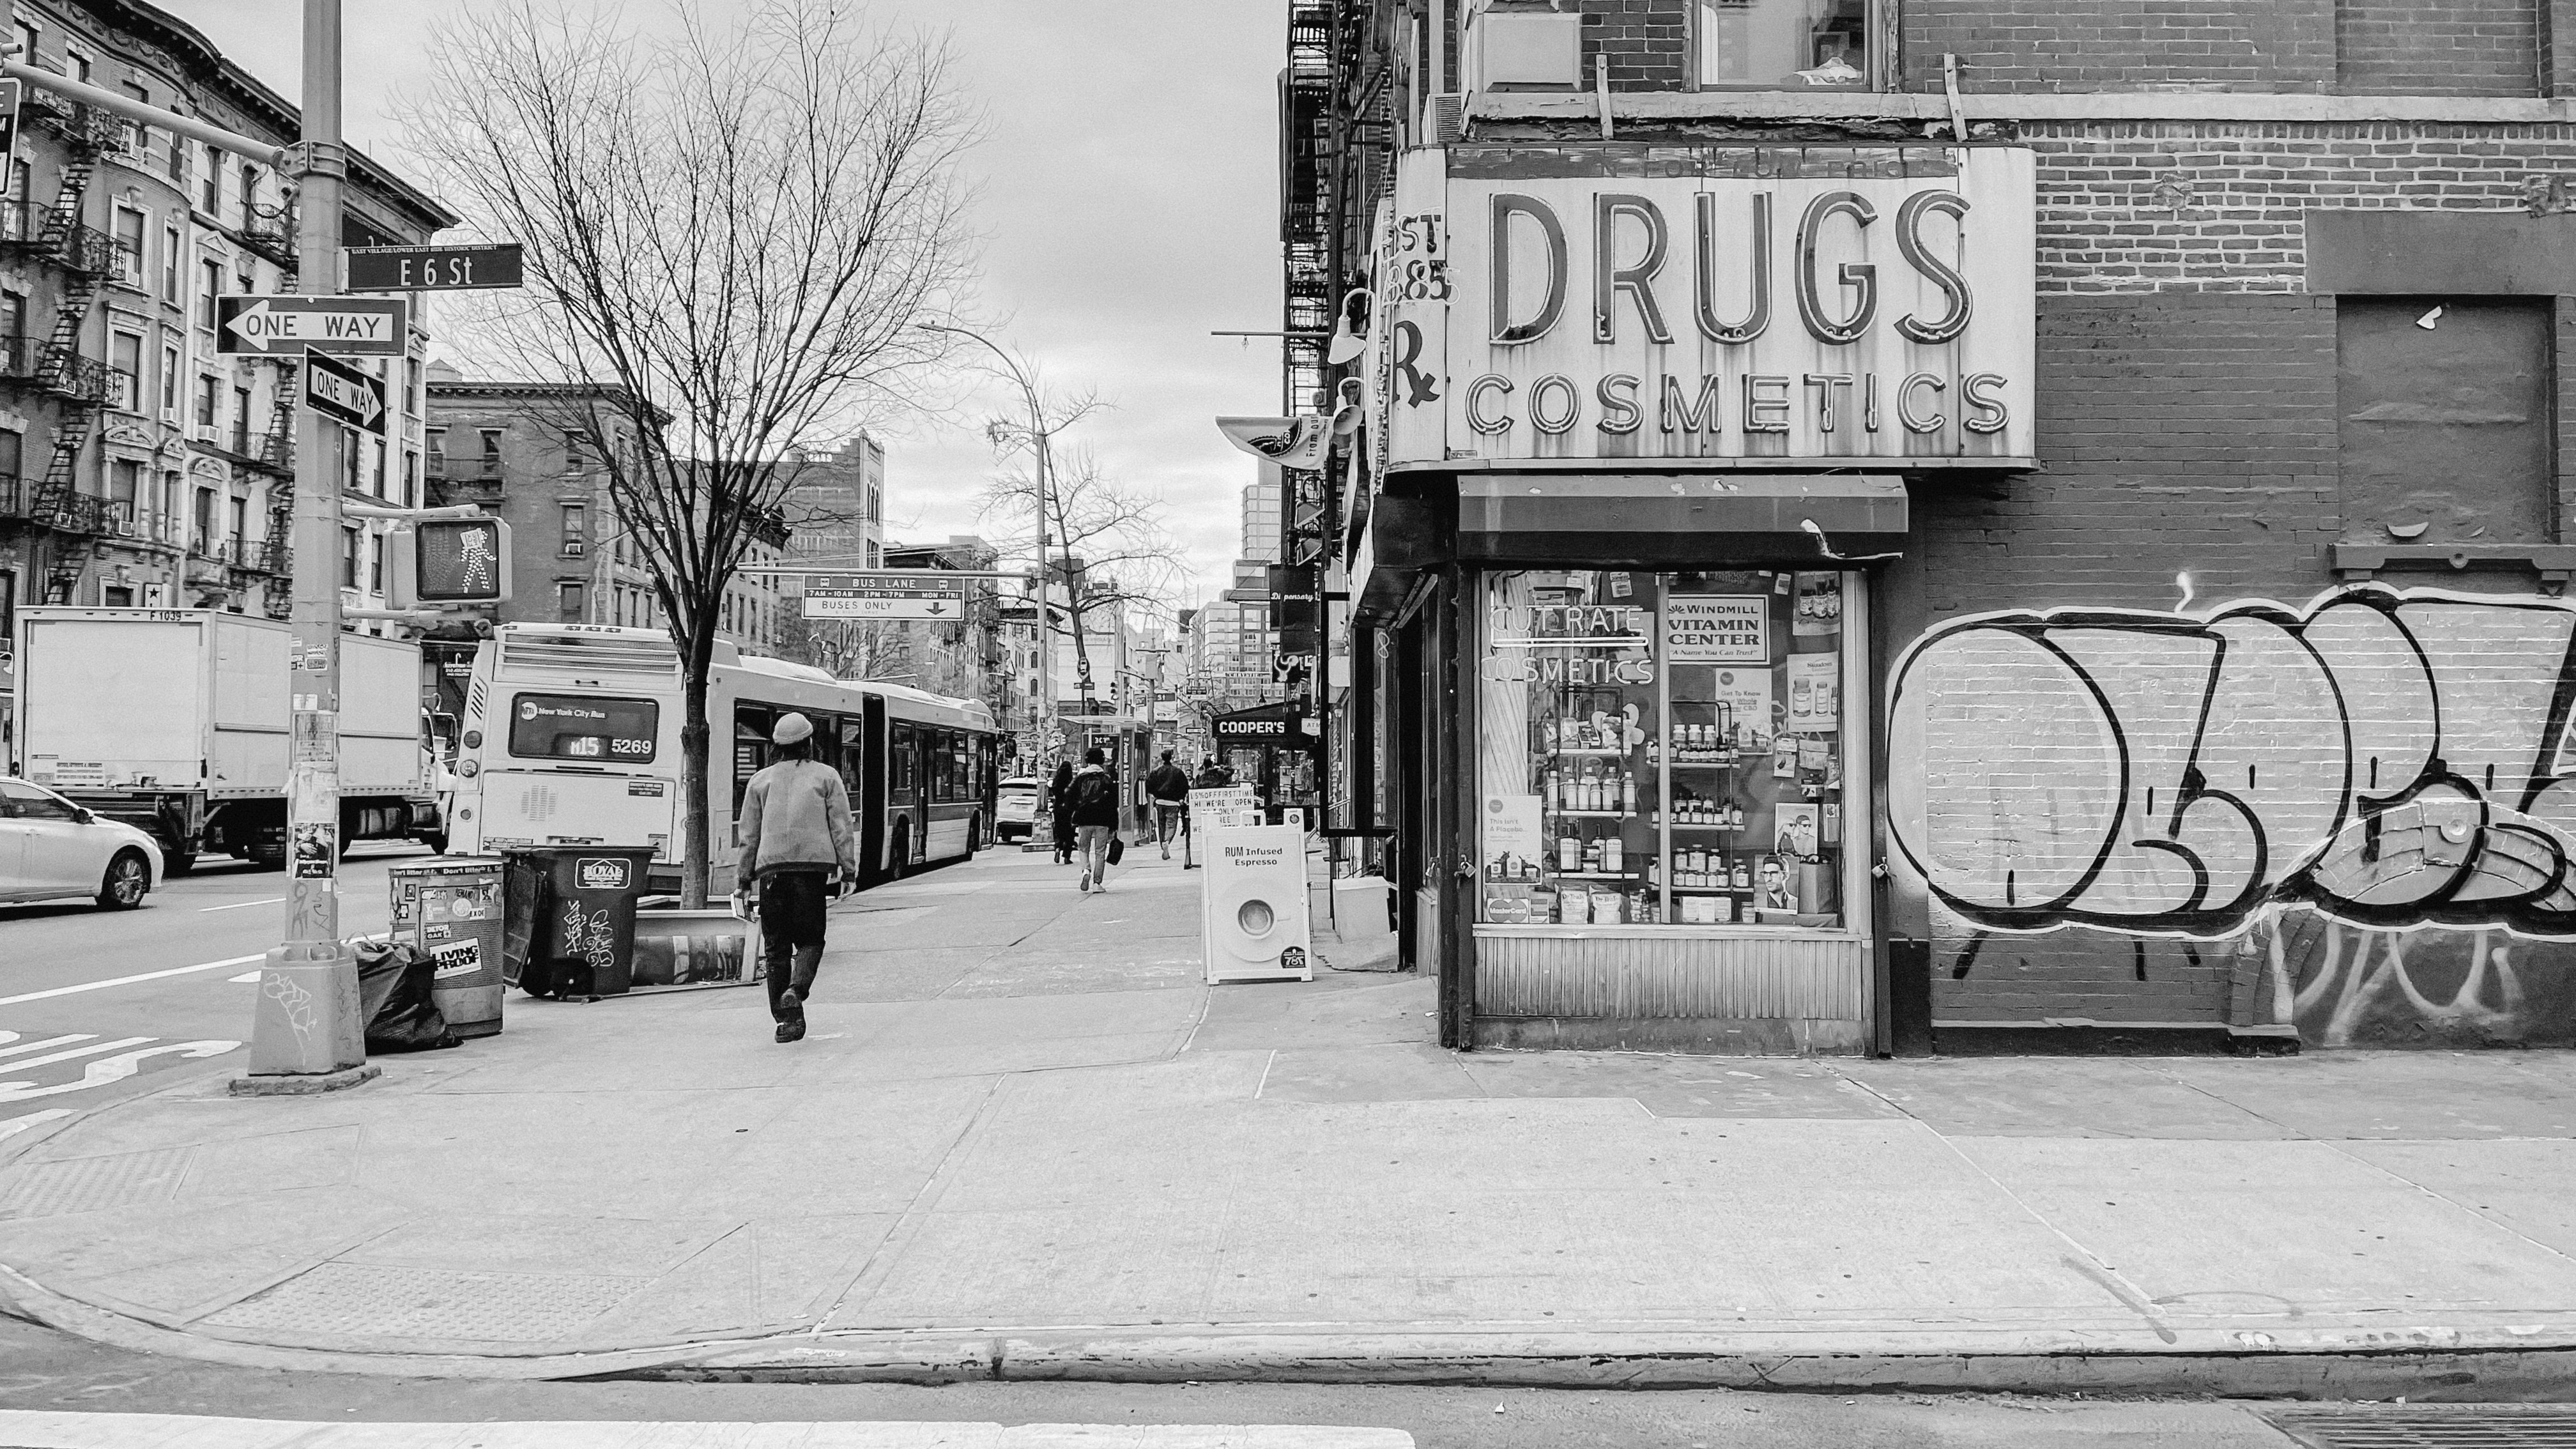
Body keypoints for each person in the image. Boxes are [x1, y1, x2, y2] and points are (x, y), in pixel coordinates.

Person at [735, 712, 855, 1044]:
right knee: (811, 940)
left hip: (771, 875)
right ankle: (797, 990)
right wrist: (848, 870)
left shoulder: (759, 782)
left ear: (776, 747)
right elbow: (842, 827)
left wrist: (744, 882)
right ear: (809, 743)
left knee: (775, 950)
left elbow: (749, 837)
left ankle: (787, 1022)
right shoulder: (827, 777)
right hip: (811, 875)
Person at [1064, 746, 1122, 893]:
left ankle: (1086, 871)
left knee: (1083, 848)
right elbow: (1114, 803)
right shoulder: (1107, 779)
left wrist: (1074, 810)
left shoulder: (1080, 778)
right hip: (1103, 820)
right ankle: (1097, 883)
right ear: (1102, 761)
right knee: (1100, 851)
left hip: (1084, 818)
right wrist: (1114, 825)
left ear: (1087, 761)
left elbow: (1069, 795)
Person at [1144, 749, 1191, 860]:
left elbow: (1149, 785)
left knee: (1161, 825)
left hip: (1160, 802)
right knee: (1171, 825)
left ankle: (1163, 844)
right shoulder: (1178, 772)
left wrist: (1156, 795)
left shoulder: (1156, 771)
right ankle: (1167, 841)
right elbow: (1185, 787)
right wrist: (1180, 798)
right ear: (1171, 757)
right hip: (1173, 803)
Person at [1046, 758, 1077, 866]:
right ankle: (1067, 856)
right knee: (1070, 832)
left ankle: (1058, 848)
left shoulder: (1056, 781)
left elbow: (1054, 792)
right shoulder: (1071, 782)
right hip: (1069, 809)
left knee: (1059, 830)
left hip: (1058, 808)